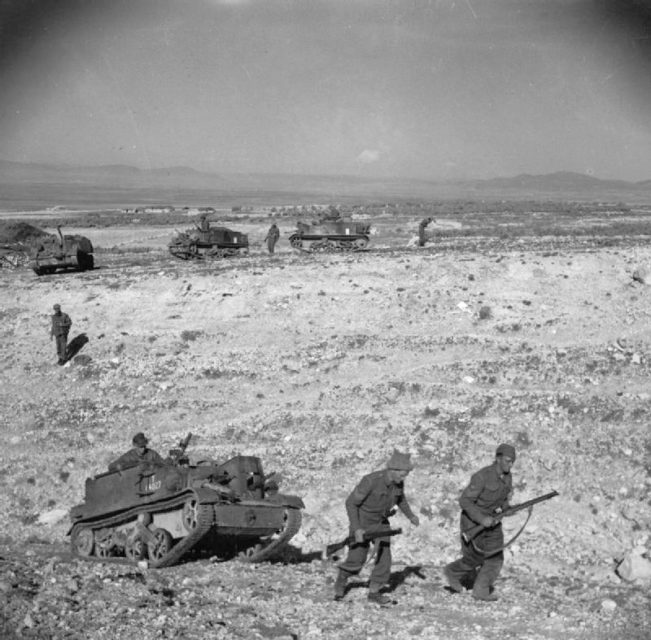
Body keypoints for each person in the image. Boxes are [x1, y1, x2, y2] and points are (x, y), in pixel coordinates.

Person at [333, 450, 420, 605]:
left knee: (384, 558)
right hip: (363, 522)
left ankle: (374, 591)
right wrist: (357, 528)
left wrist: (411, 516)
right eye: (403, 473)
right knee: (357, 558)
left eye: (406, 474)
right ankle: (342, 578)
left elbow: (401, 500)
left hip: (381, 522)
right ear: (393, 470)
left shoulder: (398, 483)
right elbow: (351, 503)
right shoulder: (371, 481)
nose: (404, 477)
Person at [443, 443, 516, 602]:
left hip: (494, 522)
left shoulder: (508, 477)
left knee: (496, 557)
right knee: (474, 558)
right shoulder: (482, 476)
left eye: (512, 462)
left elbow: (503, 500)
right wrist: (482, 519)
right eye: (507, 461)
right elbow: (465, 501)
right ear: (498, 458)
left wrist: (507, 509)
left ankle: (481, 590)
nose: (510, 465)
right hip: (473, 522)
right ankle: (453, 572)